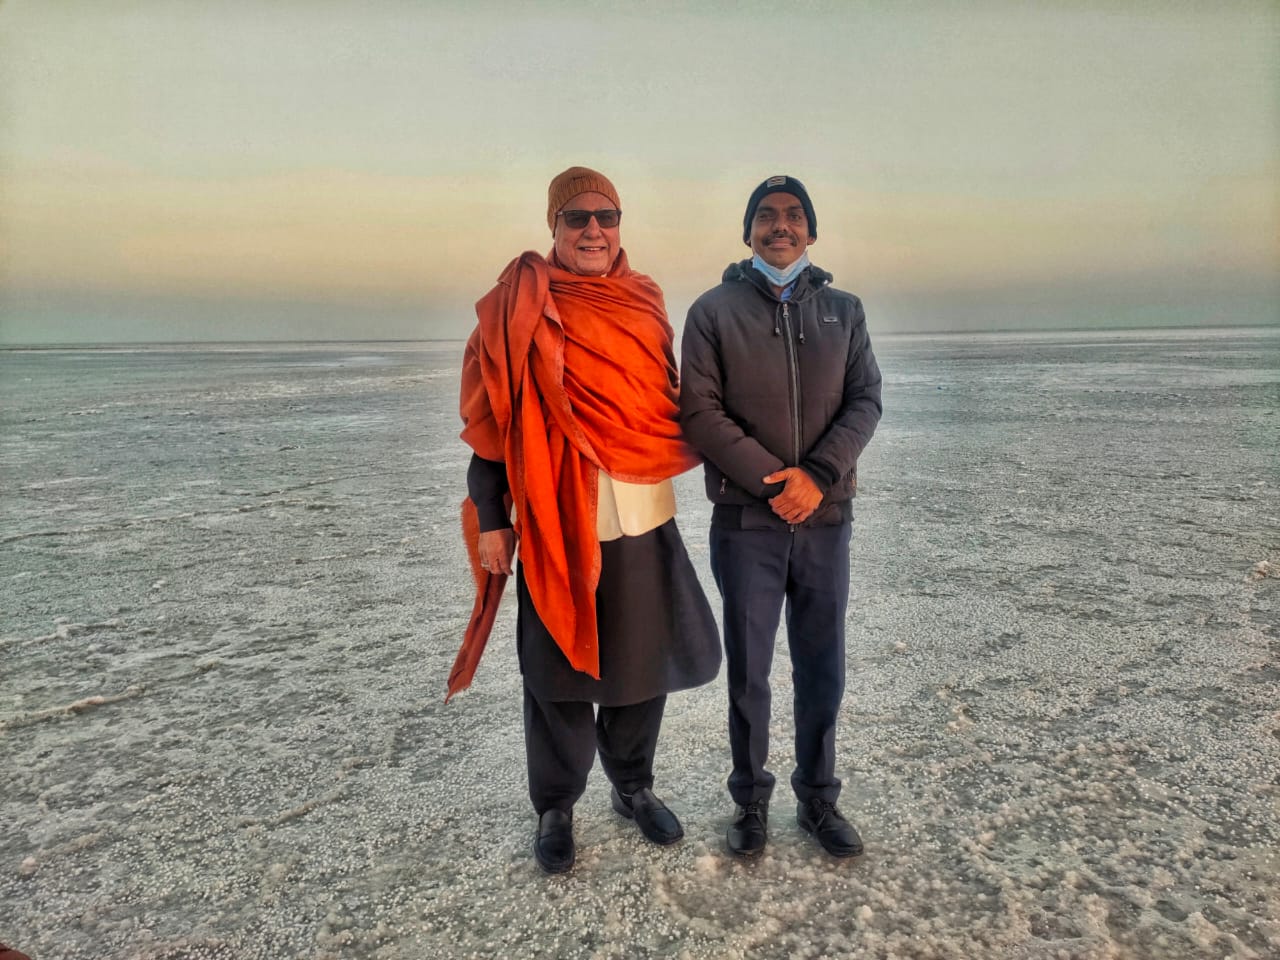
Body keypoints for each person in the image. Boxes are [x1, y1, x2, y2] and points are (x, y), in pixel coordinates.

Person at [450, 166, 721, 874]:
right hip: (553, 521)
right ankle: (556, 804)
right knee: (556, 671)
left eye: (607, 216)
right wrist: (492, 518)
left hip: (642, 515)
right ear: (554, 226)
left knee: (643, 663)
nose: (594, 230)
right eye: (577, 218)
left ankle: (633, 787)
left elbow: (669, 403)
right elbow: (492, 427)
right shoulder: (516, 308)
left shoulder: (644, 302)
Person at [679, 175, 882, 859]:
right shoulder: (713, 312)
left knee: (822, 666)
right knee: (750, 673)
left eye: (794, 216)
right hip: (748, 525)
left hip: (825, 520)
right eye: (766, 216)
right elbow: (700, 411)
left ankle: (819, 798)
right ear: (748, 232)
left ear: (811, 232)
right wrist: (777, 484)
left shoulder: (844, 311)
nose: (780, 226)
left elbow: (865, 399)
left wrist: (817, 477)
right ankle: (750, 801)